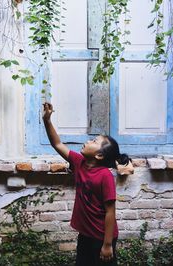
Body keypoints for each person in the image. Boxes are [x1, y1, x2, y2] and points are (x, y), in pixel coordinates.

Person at [42, 102, 131, 266]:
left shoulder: (105, 176)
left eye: (94, 141)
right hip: (85, 234)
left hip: (102, 236)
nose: (88, 141)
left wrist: (107, 244)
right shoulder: (79, 162)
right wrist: (47, 120)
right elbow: (57, 144)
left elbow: (110, 212)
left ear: (99, 155)